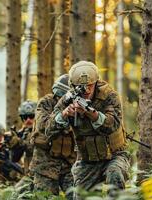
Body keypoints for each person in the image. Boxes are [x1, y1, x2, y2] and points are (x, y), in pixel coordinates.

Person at [46, 61, 130, 199]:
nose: (87, 90)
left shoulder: (109, 96)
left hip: (115, 154)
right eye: (82, 87)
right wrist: (65, 114)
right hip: (88, 159)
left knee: (115, 175)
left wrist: (91, 113)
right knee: (81, 196)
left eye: (90, 85)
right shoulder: (67, 99)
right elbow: (48, 130)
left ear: (96, 82)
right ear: (73, 86)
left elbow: (112, 124)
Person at [29, 74, 76, 199]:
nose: (60, 98)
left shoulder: (77, 107)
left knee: (77, 196)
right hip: (45, 165)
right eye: (59, 94)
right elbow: (42, 125)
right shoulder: (46, 102)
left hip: (69, 165)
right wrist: (62, 115)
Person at [9, 100, 37, 174]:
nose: (28, 120)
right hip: (28, 173)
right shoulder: (24, 133)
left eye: (31, 116)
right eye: (25, 117)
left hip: (43, 175)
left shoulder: (43, 130)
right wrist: (14, 144)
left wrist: (20, 141)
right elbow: (14, 158)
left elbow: (33, 148)